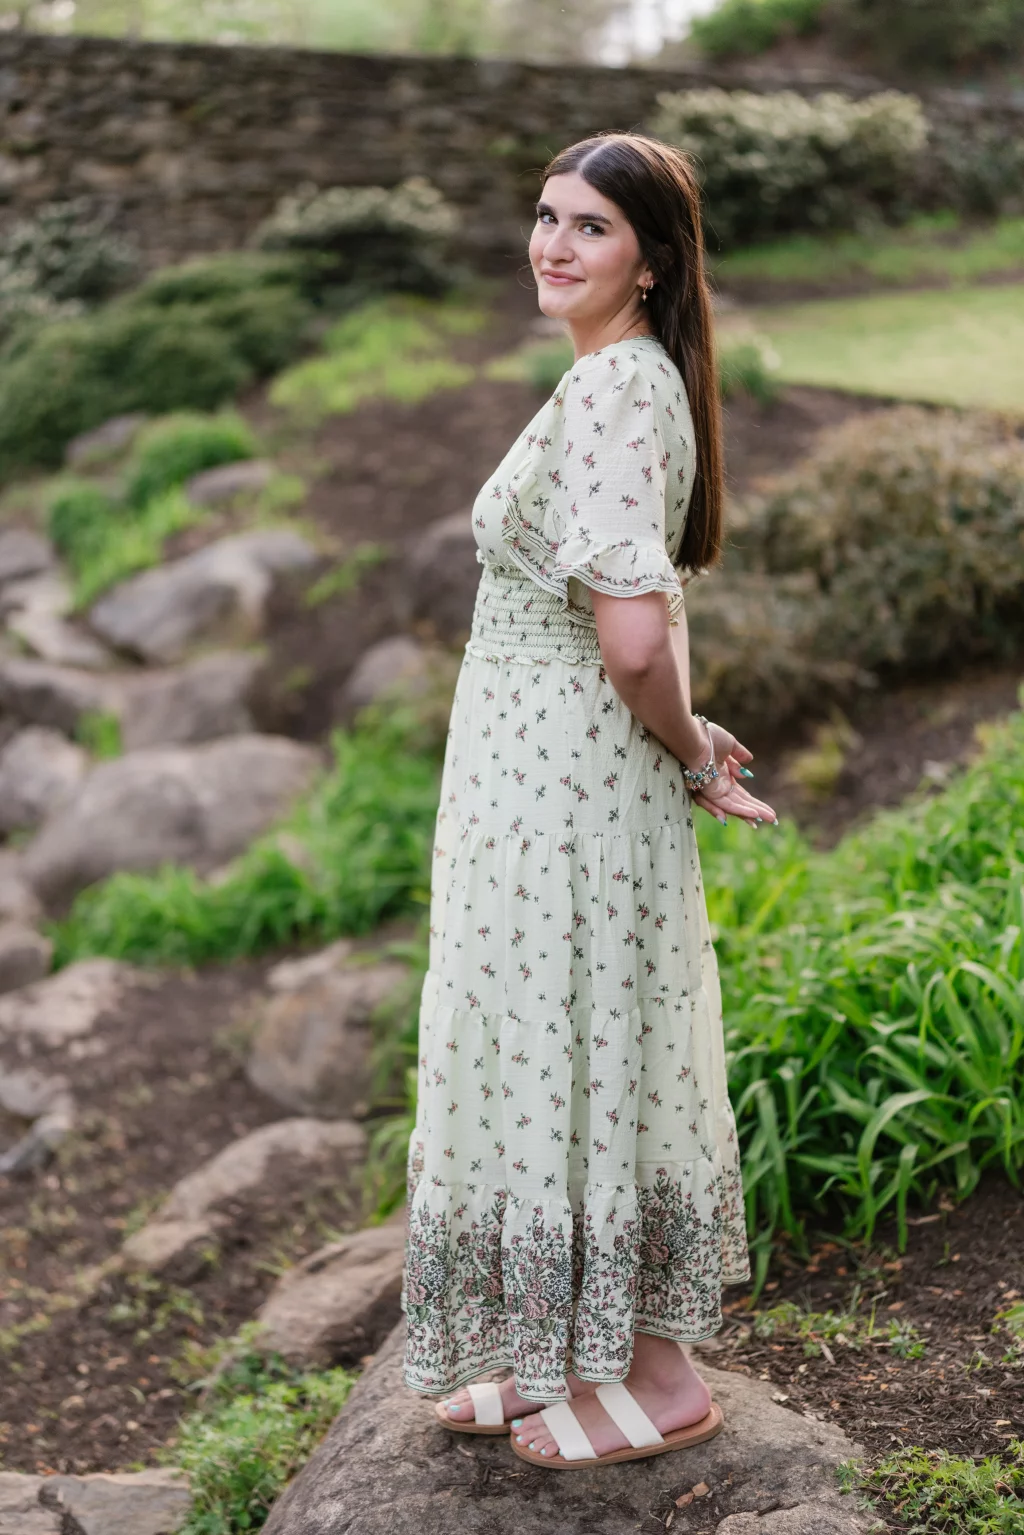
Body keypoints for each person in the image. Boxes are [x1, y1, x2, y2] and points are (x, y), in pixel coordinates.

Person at [400, 130, 777, 1470]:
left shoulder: (619, 386)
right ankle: (561, 1343)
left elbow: (628, 636)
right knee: (543, 1031)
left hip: (567, 781)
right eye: (547, 215)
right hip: (535, 771)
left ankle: (661, 1376)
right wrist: (691, 726)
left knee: (585, 1030)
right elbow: (638, 613)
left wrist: (687, 750)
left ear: (653, 263)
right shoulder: (613, 379)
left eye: (592, 227)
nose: (554, 244)